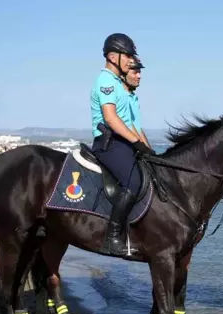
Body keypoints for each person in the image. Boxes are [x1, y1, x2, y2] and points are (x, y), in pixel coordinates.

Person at [90, 33, 154, 256]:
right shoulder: (106, 81)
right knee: (133, 182)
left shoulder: (118, 84)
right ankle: (113, 238)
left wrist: (148, 151)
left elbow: (132, 125)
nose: (130, 60)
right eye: (127, 55)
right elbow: (110, 118)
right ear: (112, 56)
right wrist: (137, 143)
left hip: (122, 142)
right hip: (108, 143)